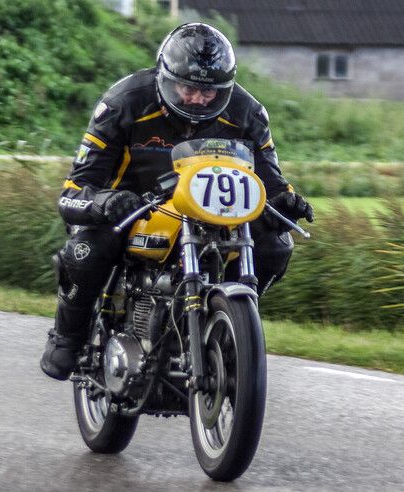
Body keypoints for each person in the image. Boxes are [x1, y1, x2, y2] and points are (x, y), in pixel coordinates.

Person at [41, 23, 313, 380]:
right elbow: (75, 187)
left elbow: (271, 181)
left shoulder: (249, 113)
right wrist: (105, 202)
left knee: (277, 244)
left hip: (215, 213)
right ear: (165, 78)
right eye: (188, 88)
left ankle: (228, 328)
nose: (199, 99)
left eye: (210, 92)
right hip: (134, 210)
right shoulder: (123, 102)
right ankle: (67, 338)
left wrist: (287, 202)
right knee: (88, 249)